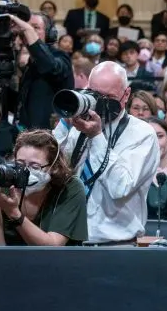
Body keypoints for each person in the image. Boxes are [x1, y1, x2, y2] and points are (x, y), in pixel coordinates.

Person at [54, 62, 158, 245]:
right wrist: (64, 125)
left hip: (115, 246)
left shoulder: (143, 134)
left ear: (126, 95)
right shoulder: (78, 127)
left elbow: (120, 187)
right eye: (95, 94)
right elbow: (51, 166)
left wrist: (96, 136)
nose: (100, 102)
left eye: (109, 97)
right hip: (69, 241)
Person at [0, 129, 88, 246]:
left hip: (57, 263)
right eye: (20, 164)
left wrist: (14, 213)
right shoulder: (1, 187)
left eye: (35, 166)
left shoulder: (69, 188)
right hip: (9, 263)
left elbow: (53, 247)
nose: (26, 171)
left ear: (54, 167)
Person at [13, 12, 74, 130]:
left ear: (49, 33)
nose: (29, 31)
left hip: (52, 135)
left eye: (35, 28)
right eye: (27, 27)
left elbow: (50, 66)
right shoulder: (29, 64)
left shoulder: (61, 56)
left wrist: (30, 37)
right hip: (28, 134)